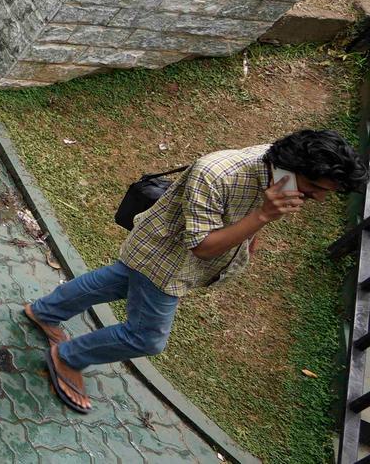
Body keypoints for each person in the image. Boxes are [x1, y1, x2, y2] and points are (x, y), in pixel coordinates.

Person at [29, 129, 364, 415]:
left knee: (116, 281)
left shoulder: (278, 171)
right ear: (288, 166)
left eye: (324, 193)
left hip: (159, 249)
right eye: (312, 189)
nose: (316, 198)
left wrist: (252, 234)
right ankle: (68, 357)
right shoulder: (217, 174)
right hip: (167, 259)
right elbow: (202, 247)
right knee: (147, 337)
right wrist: (261, 218)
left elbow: (241, 214)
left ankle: (44, 312)